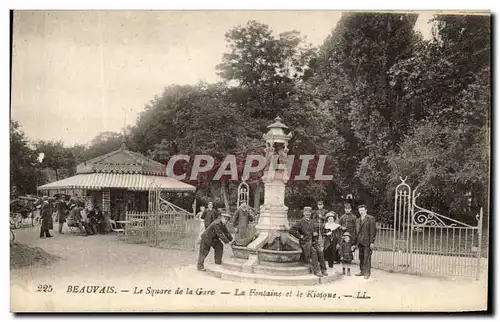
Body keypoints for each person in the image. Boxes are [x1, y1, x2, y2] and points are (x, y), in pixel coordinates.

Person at [289, 207, 328, 278]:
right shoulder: (300, 222)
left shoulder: (312, 221)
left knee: (320, 251)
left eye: (309, 212)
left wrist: (314, 233)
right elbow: (291, 230)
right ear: (303, 213)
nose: (307, 214)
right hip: (305, 243)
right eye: (306, 212)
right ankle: (317, 271)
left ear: (311, 213)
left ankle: (324, 269)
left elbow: (314, 231)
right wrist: (300, 236)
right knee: (314, 252)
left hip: (313, 241)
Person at [354, 204, 377, 279]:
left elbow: (373, 231)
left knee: (367, 257)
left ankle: (367, 273)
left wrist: (372, 242)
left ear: (366, 210)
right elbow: (356, 232)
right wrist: (355, 243)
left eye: (362, 210)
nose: (361, 212)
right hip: (360, 242)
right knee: (361, 257)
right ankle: (362, 271)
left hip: (367, 241)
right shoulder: (357, 220)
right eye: (360, 210)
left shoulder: (370, 218)